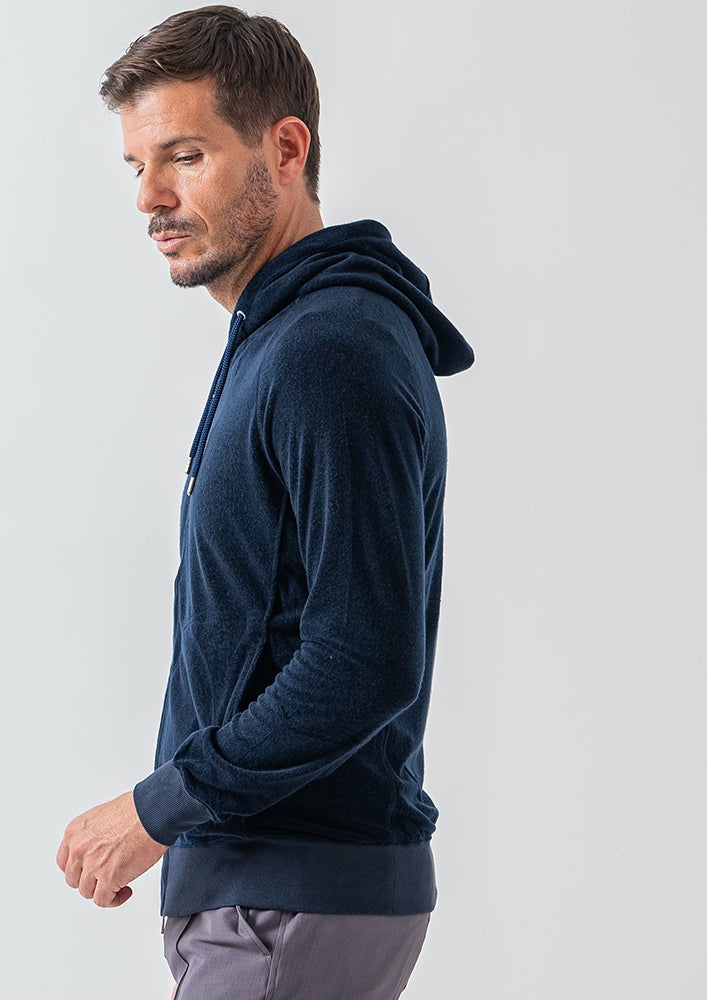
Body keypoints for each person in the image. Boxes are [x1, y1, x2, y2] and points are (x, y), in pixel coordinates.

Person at [56, 6, 474, 998]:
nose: (150, 196)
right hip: (265, 893)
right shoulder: (285, 338)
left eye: (185, 155)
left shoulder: (330, 350)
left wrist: (159, 806)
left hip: (291, 895)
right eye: (137, 165)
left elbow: (361, 661)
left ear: (286, 149)